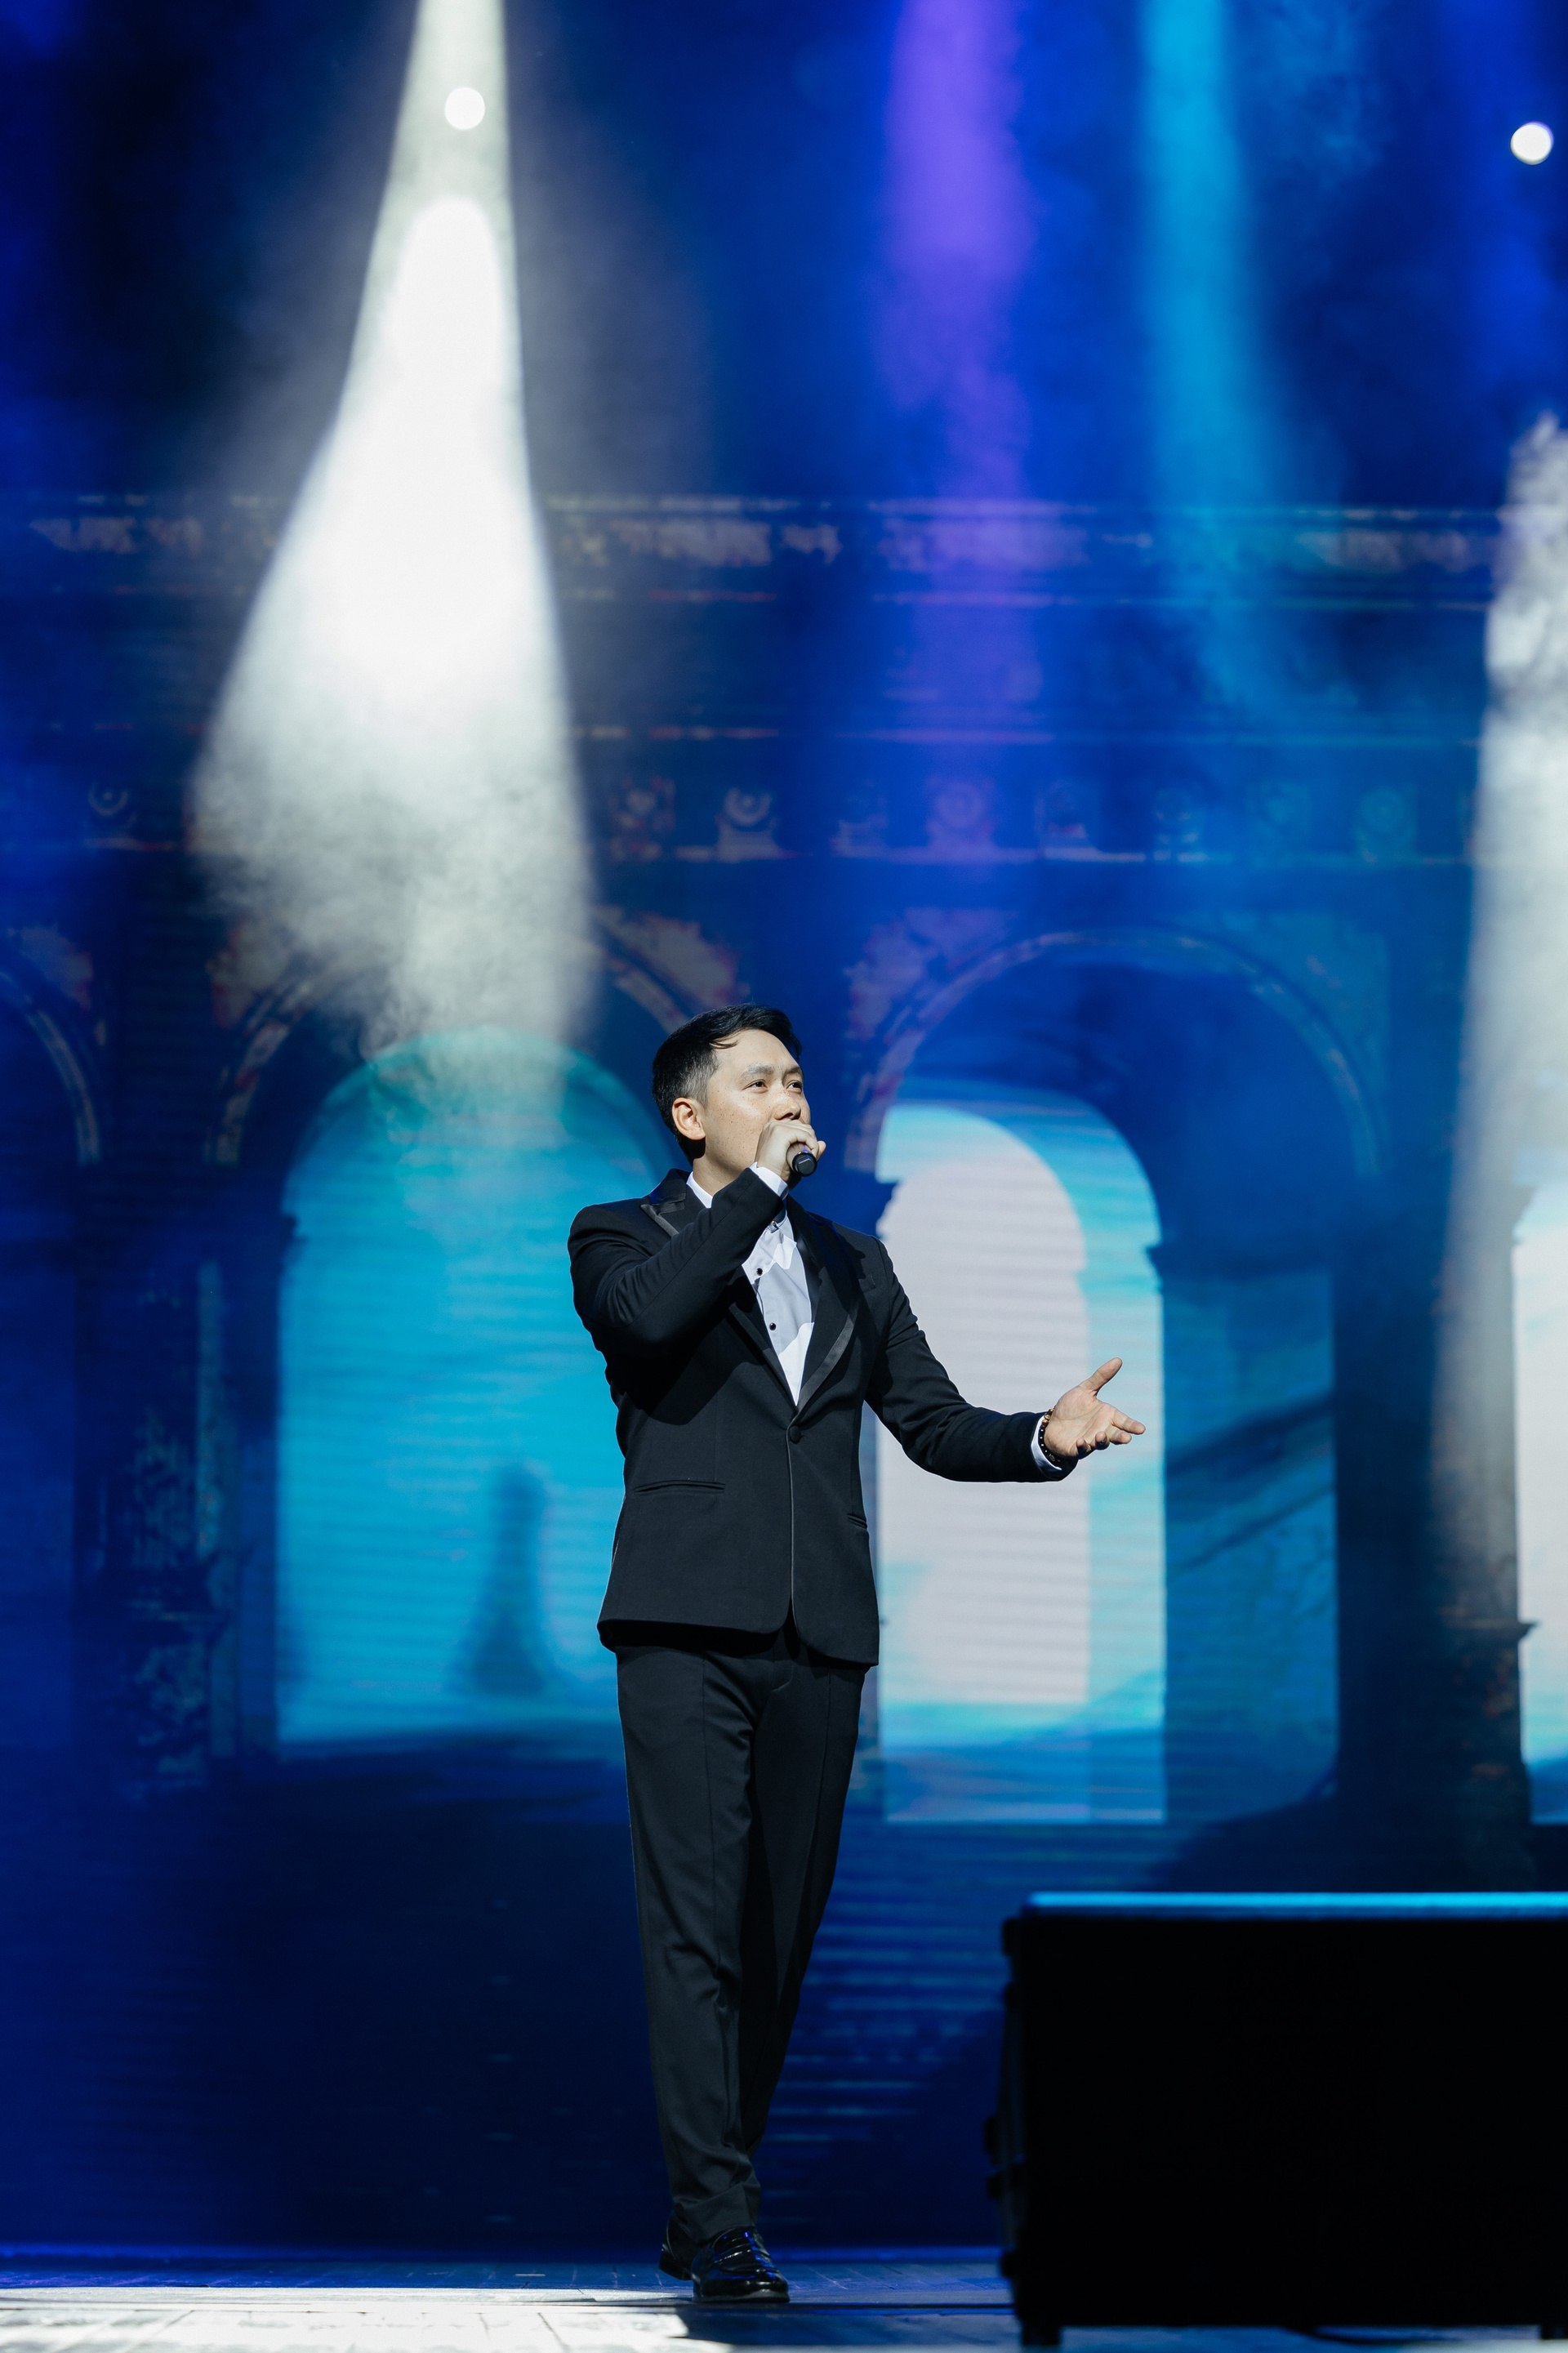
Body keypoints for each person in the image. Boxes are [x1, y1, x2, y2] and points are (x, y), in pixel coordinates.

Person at [568, 1005, 1145, 2304]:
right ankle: (724, 2218)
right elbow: (648, 1325)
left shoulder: (850, 1259)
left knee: (776, 1936)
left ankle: (704, 2201)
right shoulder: (620, 1234)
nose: (789, 1095)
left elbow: (932, 1424)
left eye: (794, 1077)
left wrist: (1043, 1435)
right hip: (684, 1625)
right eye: (757, 1082)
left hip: (821, 1633)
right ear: (690, 1115)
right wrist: (755, 1196)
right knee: (696, 1929)